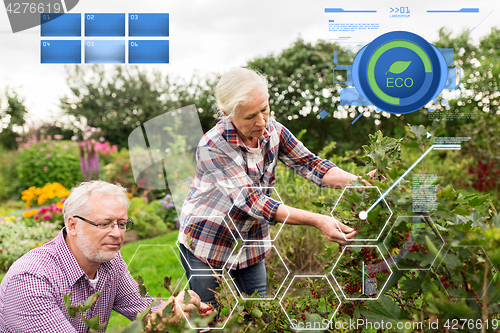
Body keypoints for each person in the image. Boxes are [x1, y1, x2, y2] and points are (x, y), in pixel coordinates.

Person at [178, 67, 376, 306]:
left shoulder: (274, 130)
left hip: (250, 240)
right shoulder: (212, 146)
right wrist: (317, 219)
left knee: (260, 312)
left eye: (264, 109)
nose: (262, 121)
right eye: (250, 116)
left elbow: (311, 165)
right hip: (207, 240)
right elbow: (252, 202)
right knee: (209, 315)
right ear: (227, 113)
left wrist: (358, 182)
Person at [0, 180, 213, 333]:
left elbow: (140, 307)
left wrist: (180, 309)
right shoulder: (31, 280)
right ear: (72, 225)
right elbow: (151, 321)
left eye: (121, 224)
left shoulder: (109, 261)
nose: (117, 234)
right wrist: (156, 323)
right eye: (104, 223)